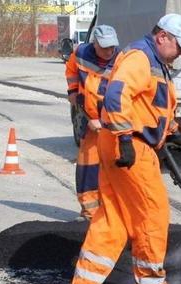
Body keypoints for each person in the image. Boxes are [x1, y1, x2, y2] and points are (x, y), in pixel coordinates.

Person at [69, 14, 181, 284]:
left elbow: (150, 105)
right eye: (179, 45)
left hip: (119, 141)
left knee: (114, 215)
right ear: (163, 36)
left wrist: (172, 131)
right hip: (129, 145)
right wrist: (125, 138)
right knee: (153, 212)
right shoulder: (141, 58)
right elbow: (116, 96)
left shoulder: (155, 62)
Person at [65, 25, 120, 220]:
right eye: (104, 47)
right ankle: (89, 211)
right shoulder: (80, 53)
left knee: (114, 169)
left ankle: (111, 212)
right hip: (90, 123)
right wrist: (72, 90)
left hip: (112, 124)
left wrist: (104, 121)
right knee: (88, 167)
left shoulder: (122, 60)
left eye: (112, 46)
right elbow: (71, 69)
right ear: (94, 44)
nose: (109, 51)